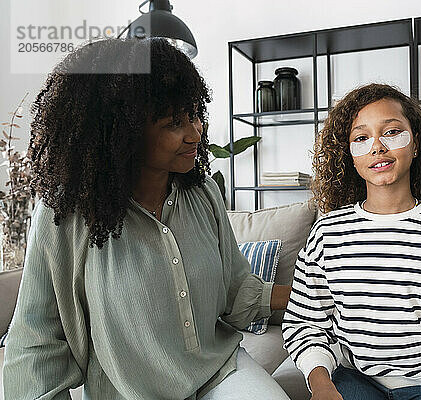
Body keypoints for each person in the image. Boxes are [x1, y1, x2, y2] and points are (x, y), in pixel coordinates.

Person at [3, 38, 291, 400]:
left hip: (218, 371)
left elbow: (235, 293)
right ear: (123, 133)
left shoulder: (202, 192)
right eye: (175, 123)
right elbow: (37, 341)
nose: (196, 133)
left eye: (195, 115)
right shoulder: (67, 213)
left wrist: (321, 291)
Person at [282, 84, 421, 400]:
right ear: (349, 155)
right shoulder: (327, 234)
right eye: (361, 138)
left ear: (416, 144)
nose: (377, 146)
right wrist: (321, 385)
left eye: (391, 132)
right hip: (352, 380)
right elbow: (306, 324)